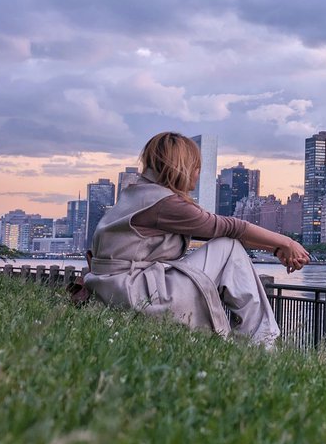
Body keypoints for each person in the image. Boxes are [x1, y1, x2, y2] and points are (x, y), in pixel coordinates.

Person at [84, 132, 309, 344]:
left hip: (117, 291)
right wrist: (286, 243)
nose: (198, 173)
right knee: (228, 246)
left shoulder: (138, 195)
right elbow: (230, 227)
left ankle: (257, 339)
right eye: (196, 167)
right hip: (136, 295)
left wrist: (276, 249)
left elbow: (221, 230)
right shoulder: (164, 203)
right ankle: (262, 343)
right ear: (182, 167)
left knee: (228, 244)